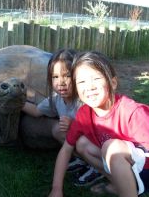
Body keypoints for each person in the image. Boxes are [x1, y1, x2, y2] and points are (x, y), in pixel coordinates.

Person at [48, 51, 149, 197]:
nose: (89, 87)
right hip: (128, 166)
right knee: (83, 145)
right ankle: (121, 185)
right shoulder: (84, 114)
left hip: (148, 170)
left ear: (113, 83)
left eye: (96, 78)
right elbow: (66, 150)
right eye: (81, 81)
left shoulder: (133, 113)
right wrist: (56, 189)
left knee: (112, 147)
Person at [22, 49, 102, 185]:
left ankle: (98, 168)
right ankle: (83, 160)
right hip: (79, 141)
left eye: (67, 76)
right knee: (59, 130)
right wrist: (16, 103)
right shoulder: (56, 99)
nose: (61, 82)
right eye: (55, 77)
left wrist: (74, 124)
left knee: (80, 140)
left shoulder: (85, 99)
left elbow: (97, 129)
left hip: (96, 144)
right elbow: (36, 111)